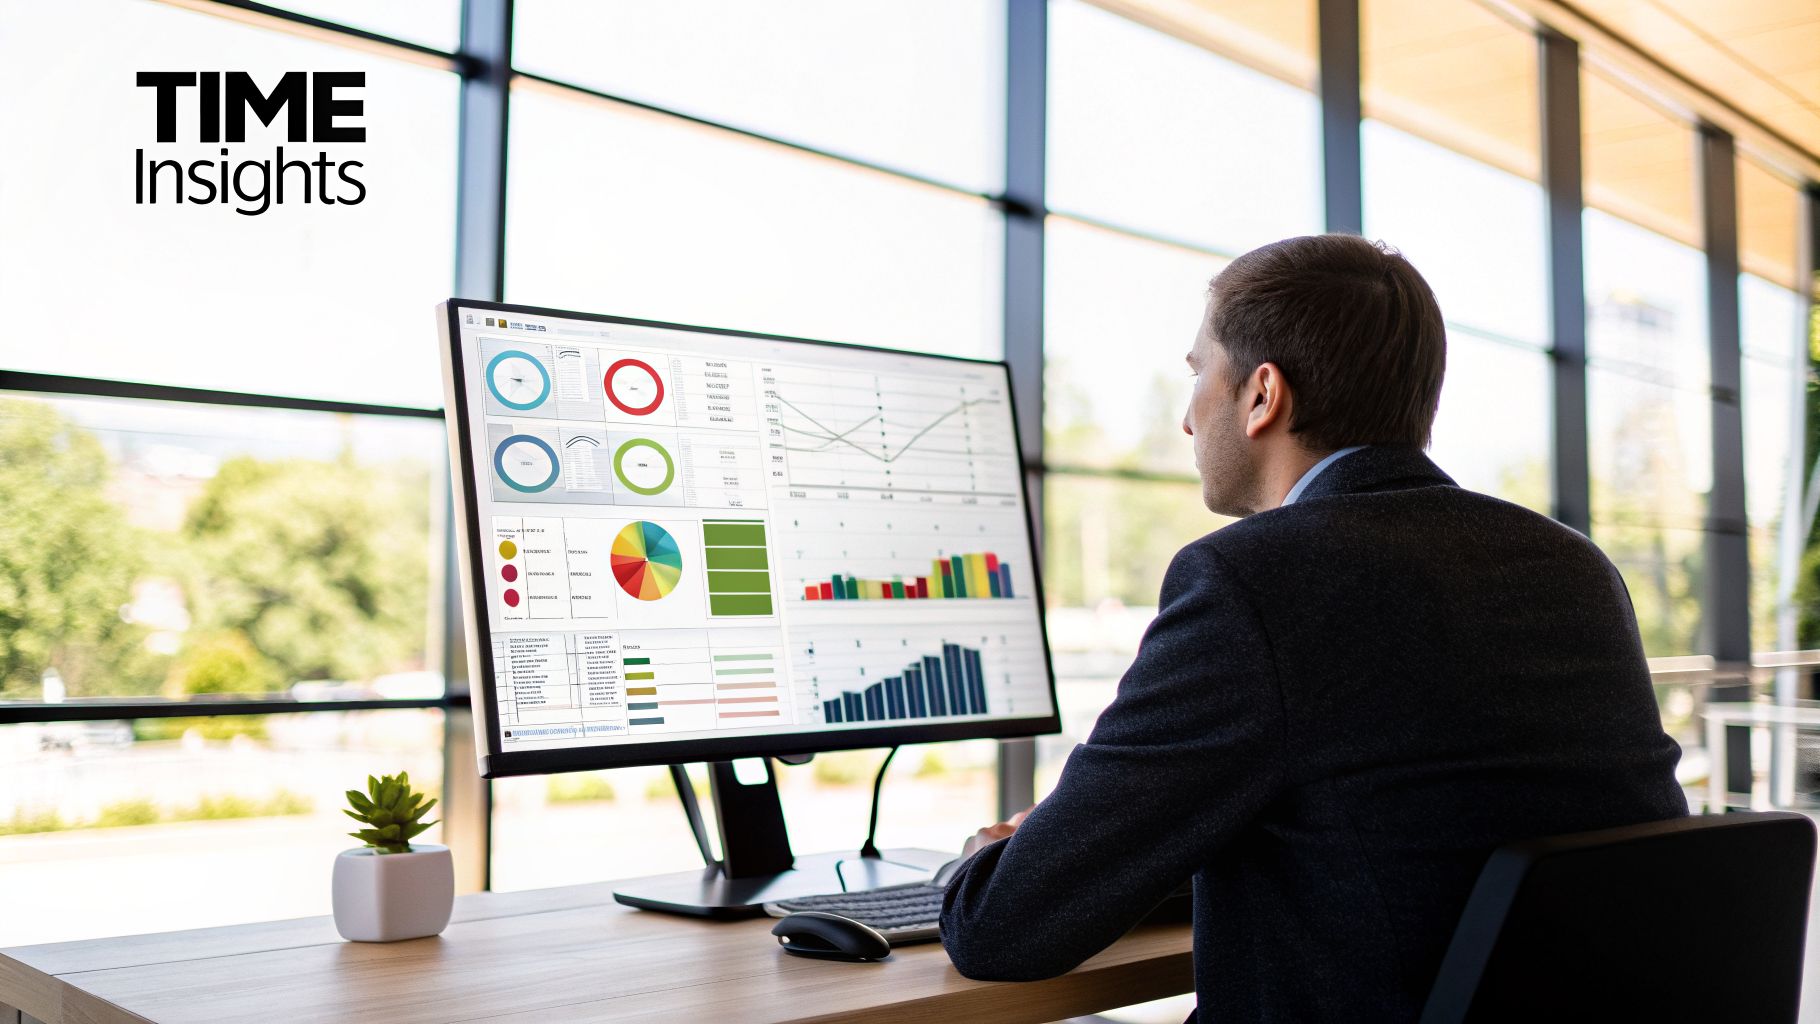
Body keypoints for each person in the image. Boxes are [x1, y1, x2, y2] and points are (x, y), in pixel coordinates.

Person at [938, 234, 1687, 1022]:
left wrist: (990, 858)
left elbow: (1000, 932)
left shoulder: (1254, 580)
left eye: (1198, 375)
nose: (1188, 421)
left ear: (1263, 395)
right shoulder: (1573, 567)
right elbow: (1410, 824)